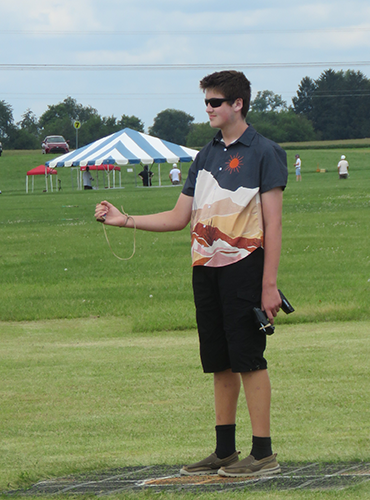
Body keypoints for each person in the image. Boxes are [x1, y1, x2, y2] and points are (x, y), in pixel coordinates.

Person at [95, 70, 288, 478]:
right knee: (219, 360)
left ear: (238, 104)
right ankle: (224, 451)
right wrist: (123, 219)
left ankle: (264, 453)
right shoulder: (205, 155)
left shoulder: (264, 152)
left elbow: (273, 224)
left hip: (245, 267)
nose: (208, 109)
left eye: (215, 102)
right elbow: (179, 217)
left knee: (248, 358)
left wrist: (268, 284)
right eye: (206, 101)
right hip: (206, 269)